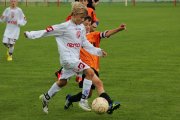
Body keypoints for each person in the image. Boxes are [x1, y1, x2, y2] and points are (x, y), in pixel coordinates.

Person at [24, 2, 119, 114]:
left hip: (74, 59)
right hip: (67, 59)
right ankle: (83, 100)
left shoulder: (81, 28)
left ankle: (46, 97)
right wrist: (30, 34)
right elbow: (46, 31)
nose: (82, 20)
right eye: (81, 17)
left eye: (84, 18)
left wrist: (98, 51)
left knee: (62, 82)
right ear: (73, 14)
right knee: (89, 72)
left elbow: (85, 43)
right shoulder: (64, 27)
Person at [56, 18, 126, 114]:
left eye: (89, 24)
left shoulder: (95, 35)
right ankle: (110, 104)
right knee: (99, 84)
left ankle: (70, 99)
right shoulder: (76, 38)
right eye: (85, 25)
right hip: (84, 68)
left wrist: (119, 29)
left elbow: (106, 33)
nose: (88, 27)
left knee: (88, 94)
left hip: (94, 67)